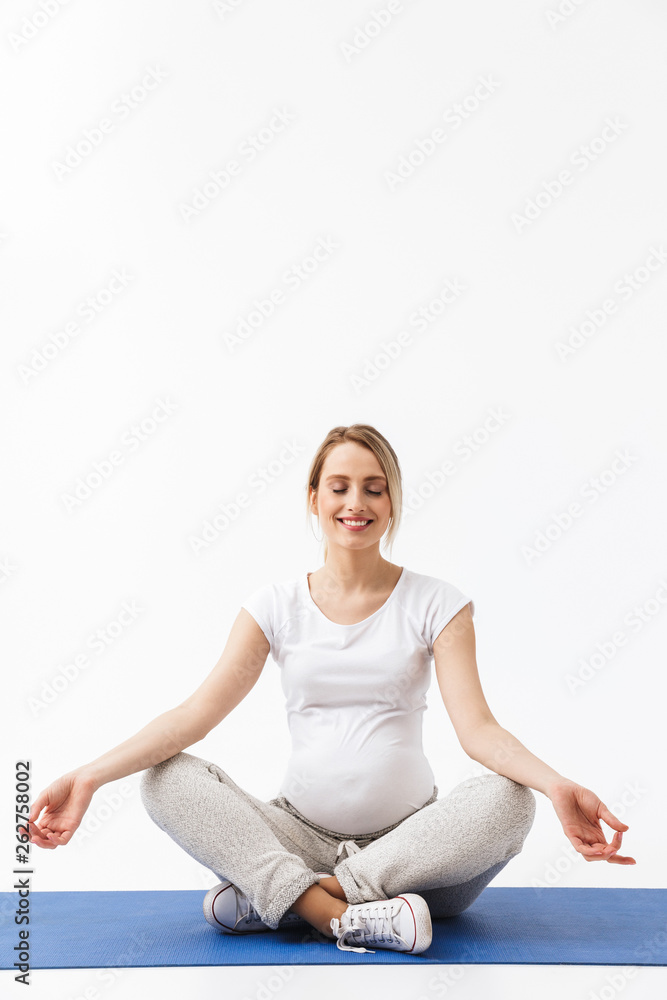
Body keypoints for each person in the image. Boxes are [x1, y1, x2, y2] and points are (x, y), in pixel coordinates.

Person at [28, 424, 636, 956]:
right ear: (313, 498)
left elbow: (479, 732)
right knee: (166, 778)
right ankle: (342, 916)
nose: (356, 502)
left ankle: (289, 900)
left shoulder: (438, 604)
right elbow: (194, 715)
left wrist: (556, 784)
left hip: (414, 856)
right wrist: (89, 777)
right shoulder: (275, 606)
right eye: (339, 486)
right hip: (298, 838)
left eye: (374, 488)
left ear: (393, 503)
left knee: (511, 800)